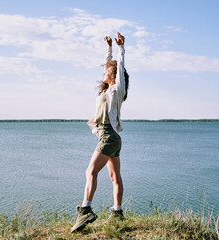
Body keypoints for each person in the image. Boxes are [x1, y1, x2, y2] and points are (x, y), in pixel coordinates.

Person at [71, 32, 129, 233]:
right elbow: (109, 65)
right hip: (112, 137)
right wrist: (109, 48)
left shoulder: (116, 91)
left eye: (108, 71)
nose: (104, 72)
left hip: (109, 136)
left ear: (114, 76)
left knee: (91, 171)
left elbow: (118, 68)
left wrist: (121, 49)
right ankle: (117, 212)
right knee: (115, 178)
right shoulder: (104, 90)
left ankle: (86, 209)